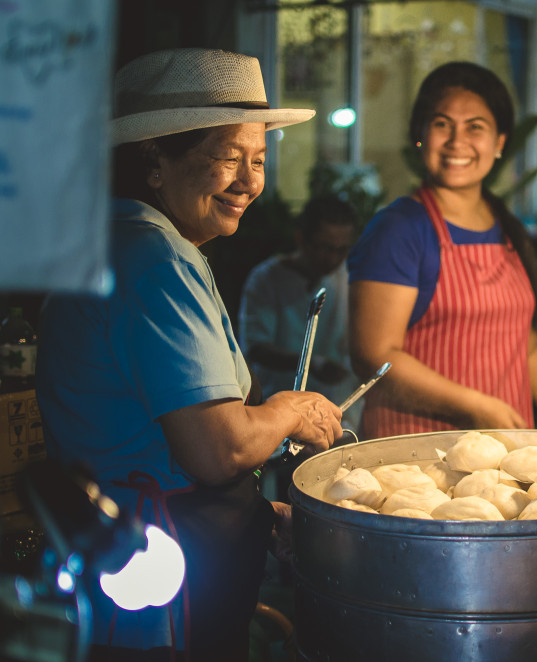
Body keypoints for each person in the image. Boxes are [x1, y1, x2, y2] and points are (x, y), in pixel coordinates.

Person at [35, 48, 344, 662]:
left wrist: (258, 518)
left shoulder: (113, 244)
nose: (250, 182)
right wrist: (289, 409)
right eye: (227, 158)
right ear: (154, 161)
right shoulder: (154, 260)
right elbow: (215, 449)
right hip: (153, 577)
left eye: (258, 161)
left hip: (131, 557)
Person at [347, 61, 537, 438]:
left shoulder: (508, 227)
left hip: (507, 457)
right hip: (417, 459)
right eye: (441, 125)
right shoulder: (400, 229)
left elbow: (526, 346)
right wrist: (472, 405)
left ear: (500, 142)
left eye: (475, 127)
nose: (457, 142)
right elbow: (375, 357)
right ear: (420, 134)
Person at [240, 193, 362, 431]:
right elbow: (256, 348)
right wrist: (312, 363)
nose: (333, 258)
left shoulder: (348, 277)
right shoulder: (266, 279)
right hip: (278, 415)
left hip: (339, 412)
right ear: (301, 238)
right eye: (326, 248)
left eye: (341, 249)